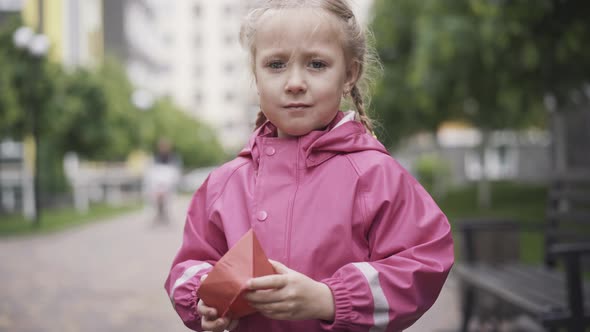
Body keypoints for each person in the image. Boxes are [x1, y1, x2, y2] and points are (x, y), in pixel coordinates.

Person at [164, 1, 454, 331]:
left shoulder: (376, 175)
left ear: (349, 74)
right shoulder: (224, 184)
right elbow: (186, 266)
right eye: (275, 64)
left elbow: (425, 262)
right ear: (255, 75)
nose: (295, 82)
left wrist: (329, 299)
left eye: (316, 64)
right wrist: (204, 299)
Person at [143, 138, 181, 224]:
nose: (163, 148)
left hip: (169, 185)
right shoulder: (155, 158)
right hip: (156, 186)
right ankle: (158, 215)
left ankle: (165, 215)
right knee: (153, 195)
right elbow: (151, 174)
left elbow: (175, 175)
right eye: (162, 146)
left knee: (168, 197)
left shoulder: (174, 158)